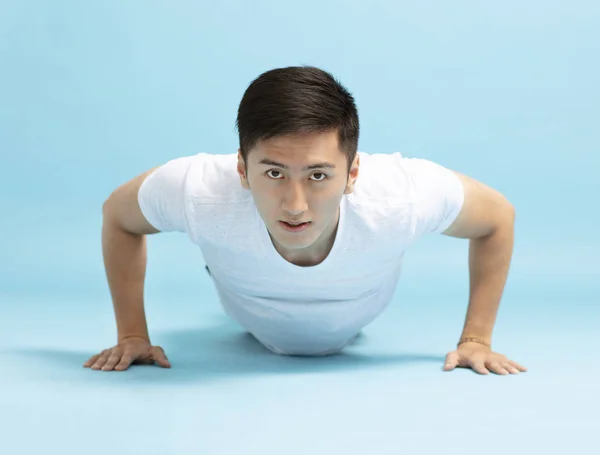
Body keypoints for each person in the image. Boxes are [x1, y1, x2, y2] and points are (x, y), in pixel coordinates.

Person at [84, 65, 527, 376]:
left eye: (318, 175)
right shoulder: (198, 189)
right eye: (273, 173)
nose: (295, 205)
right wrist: (132, 334)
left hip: (358, 308)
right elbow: (118, 217)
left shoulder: (399, 196)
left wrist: (476, 339)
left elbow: (496, 218)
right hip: (246, 306)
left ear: (353, 173)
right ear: (241, 169)